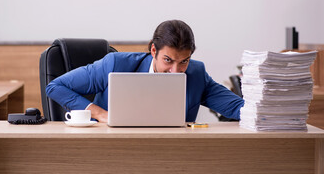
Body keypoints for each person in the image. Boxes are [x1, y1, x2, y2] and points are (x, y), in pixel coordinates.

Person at [46, 20, 244, 123]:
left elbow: (239, 108)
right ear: (153, 51)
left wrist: (271, 105)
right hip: (109, 149)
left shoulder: (196, 73)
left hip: (170, 155)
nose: (176, 71)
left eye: (184, 61)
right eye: (168, 60)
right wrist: (100, 114)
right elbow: (56, 87)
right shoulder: (115, 64)